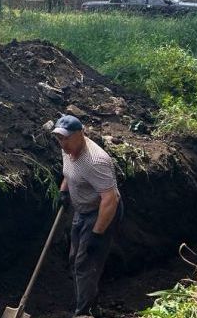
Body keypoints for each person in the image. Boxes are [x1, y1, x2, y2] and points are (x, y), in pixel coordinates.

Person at [53, 114, 123, 318]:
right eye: (59, 138)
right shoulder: (67, 149)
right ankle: (90, 301)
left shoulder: (96, 161)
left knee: (85, 263)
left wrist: (98, 233)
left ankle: (84, 312)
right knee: (76, 258)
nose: (62, 143)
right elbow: (69, 173)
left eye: (66, 138)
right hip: (82, 210)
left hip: (101, 213)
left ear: (80, 134)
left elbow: (110, 199)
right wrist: (64, 191)